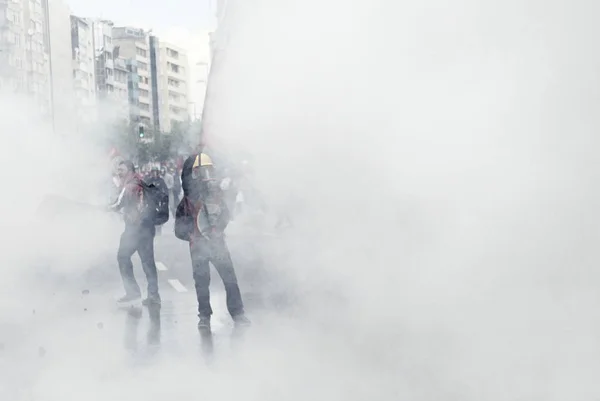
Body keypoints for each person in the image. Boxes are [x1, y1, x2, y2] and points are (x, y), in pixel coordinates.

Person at [179, 151, 250, 330]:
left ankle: (238, 313)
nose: (206, 175)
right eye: (201, 171)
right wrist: (191, 234)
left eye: (208, 170)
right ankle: (204, 315)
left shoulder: (217, 194)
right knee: (202, 283)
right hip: (198, 246)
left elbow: (225, 215)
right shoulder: (188, 199)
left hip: (217, 243)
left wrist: (217, 229)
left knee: (230, 279)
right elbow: (179, 227)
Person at [110, 160, 161, 306]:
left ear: (130, 170)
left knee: (123, 257)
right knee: (148, 262)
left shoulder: (130, 185)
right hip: (145, 228)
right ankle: (153, 295)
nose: (119, 172)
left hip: (135, 229)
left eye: (122, 169)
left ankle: (133, 292)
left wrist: (105, 207)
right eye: (118, 169)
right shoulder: (139, 182)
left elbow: (117, 204)